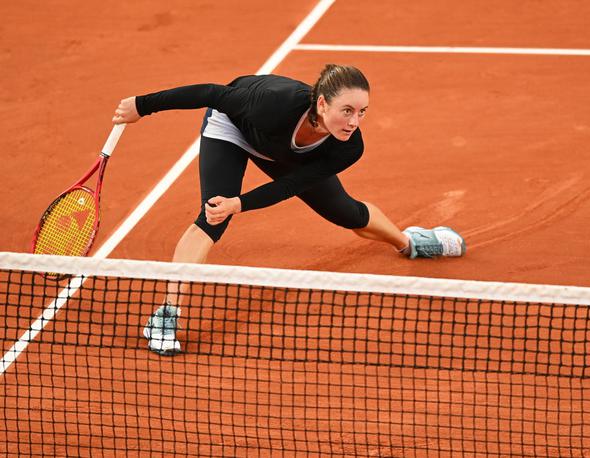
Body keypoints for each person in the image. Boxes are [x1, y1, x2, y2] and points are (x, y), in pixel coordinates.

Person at [113, 64, 465, 355]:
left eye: (362, 112)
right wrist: (142, 105)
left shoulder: (348, 147)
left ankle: (411, 242)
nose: (355, 121)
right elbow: (210, 93)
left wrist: (241, 203)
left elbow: (290, 186)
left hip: (289, 154)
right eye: (347, 111)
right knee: (211, 218)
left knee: (346, 213)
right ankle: (166, 314)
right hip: (233, 131)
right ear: (323, 104)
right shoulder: (271, 102)